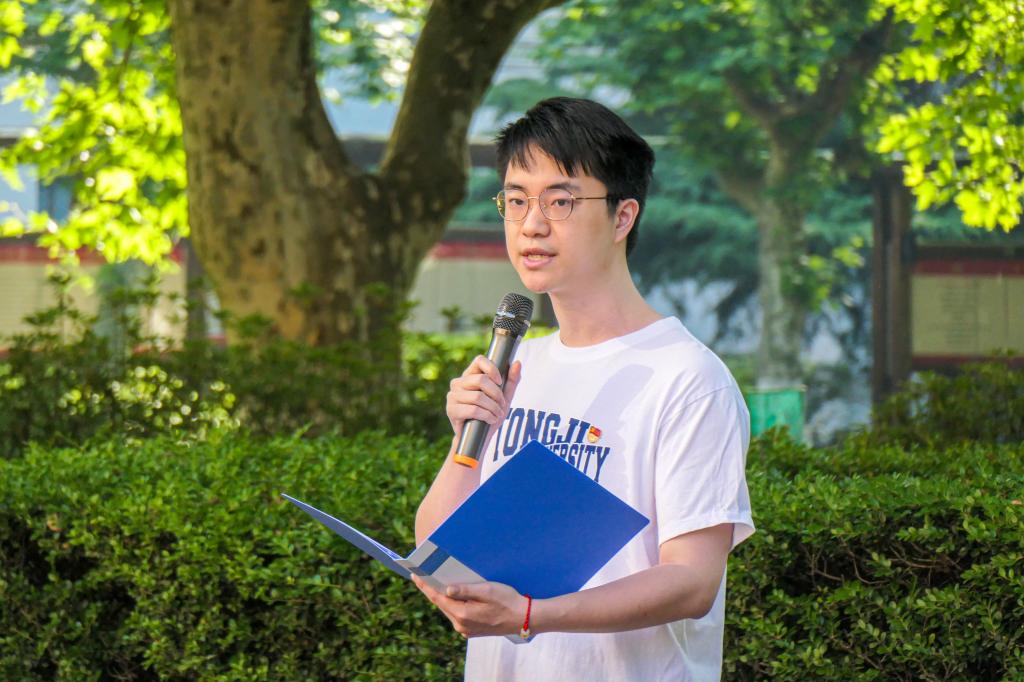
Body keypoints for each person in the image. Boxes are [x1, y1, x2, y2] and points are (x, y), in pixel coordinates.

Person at [413, 97, 755, 681]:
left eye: (560, 201)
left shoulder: (688, 379)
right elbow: (441, 554)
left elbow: (693, 581)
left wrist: (530, 615)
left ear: (623, 217)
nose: (531, 224)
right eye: (516, 200)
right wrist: (463, 441)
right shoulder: (519, 365)